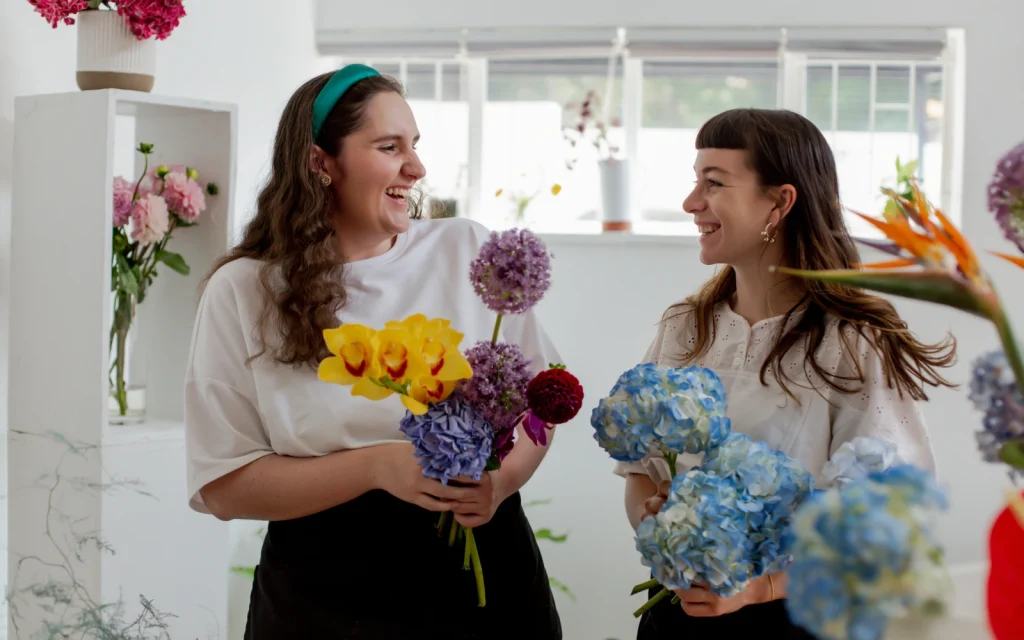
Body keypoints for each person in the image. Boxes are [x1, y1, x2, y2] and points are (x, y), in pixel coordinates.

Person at [183, 64, 563, 639]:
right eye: (389, 147)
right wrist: (377, 466)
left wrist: (500, 484)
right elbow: (222, 485)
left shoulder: (464, 248)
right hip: (323, 596)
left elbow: (538, 403)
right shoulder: (243, 290)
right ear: (321, 162)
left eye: (414, 146)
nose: (416, 167)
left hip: (487, 586)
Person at [615, 108, 956, 638]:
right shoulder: (685, 327)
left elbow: (885, 519)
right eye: (694, 181)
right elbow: (639, 472)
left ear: (779, 202)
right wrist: (666, 531)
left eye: (714, 182)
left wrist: (760, 587)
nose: (691, 203)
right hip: (678, 617)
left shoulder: (851, 340)